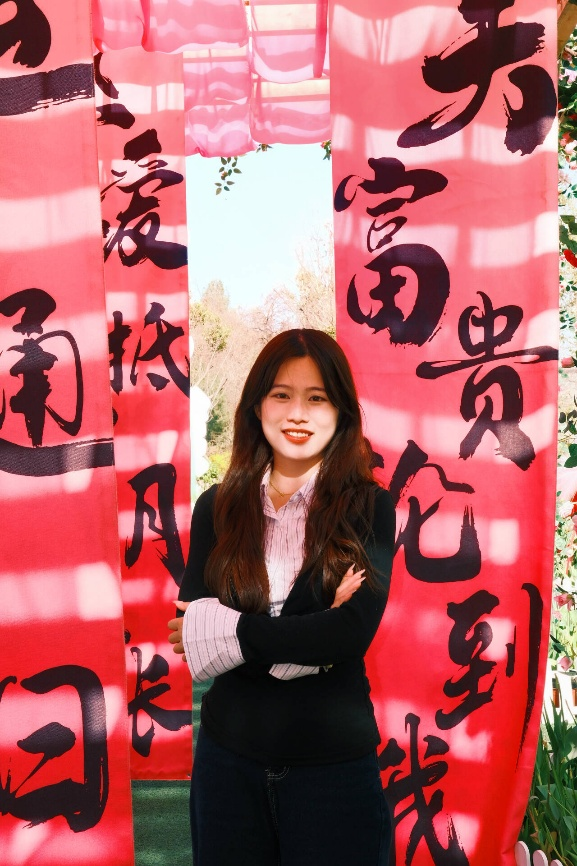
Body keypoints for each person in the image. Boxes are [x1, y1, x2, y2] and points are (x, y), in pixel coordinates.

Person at [168, 328, 395, 866]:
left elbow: (349, 635)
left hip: (334, 771)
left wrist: (234, 632)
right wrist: (310, 636)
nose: (298, 413)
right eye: (281, 395)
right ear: (257, 406)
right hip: (228, 764)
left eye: (317, 398)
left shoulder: (367, 508)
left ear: (341, 411)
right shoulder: (217, 507)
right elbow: (189, 636)